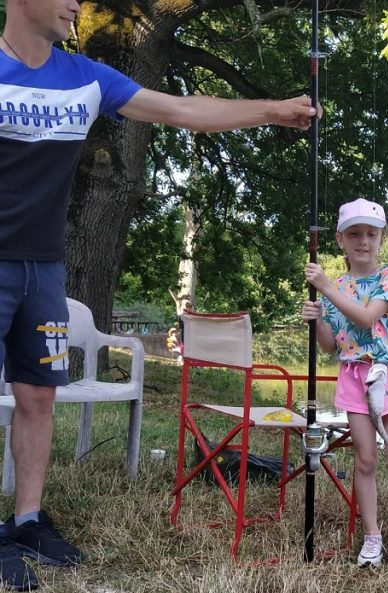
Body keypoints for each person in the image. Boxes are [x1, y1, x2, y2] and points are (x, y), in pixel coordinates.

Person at [0, 0, 321, 589]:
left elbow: (184, 109)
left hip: (44, 269)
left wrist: (271, 110)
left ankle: (26, 521)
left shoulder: (86, 77)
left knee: (38, 396)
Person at [300, 198, 388, 569]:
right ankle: (372, 537)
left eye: (371, 234)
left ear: (382, 238)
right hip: (353, 379)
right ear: (340, 239)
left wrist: (325, 289)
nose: (363, 241)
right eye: (354, 234)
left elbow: (367, 318)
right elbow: (330, 344)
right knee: (366, 460)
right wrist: (317, 320)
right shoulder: (335, 285)